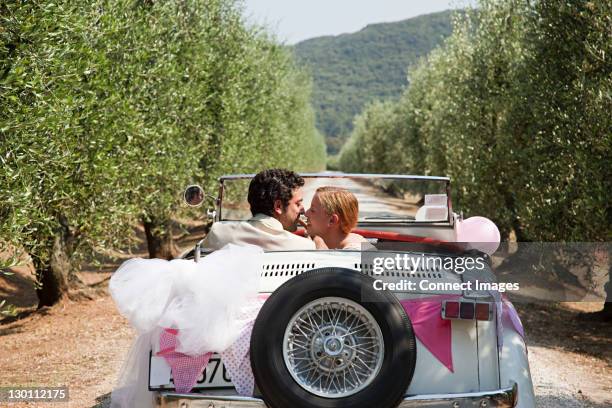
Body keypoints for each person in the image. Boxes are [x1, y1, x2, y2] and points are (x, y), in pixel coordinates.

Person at [203, 168, 316, 251]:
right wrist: (316, 237)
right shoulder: (304, 247)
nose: (303, 210)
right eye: (298, 204)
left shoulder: (217, 233)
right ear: (278, 207)